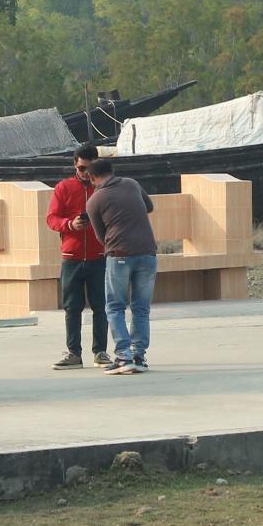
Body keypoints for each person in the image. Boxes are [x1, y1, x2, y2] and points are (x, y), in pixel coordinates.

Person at [84, 158, 158, 375]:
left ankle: (123, 356)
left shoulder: (94, 200)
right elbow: (149, 207)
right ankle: (139, 356)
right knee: (141, 308)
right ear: (112, 171)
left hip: (119, 254)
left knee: (115, 307)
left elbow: (101, 236)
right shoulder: (132, 184)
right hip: (147, 252)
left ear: (92, 178)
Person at [45, 144, 112, 369]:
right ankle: (74, 353)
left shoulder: (103, 188)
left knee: (100, 306)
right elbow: (52, 218)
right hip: (71, 256)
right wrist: (70, 224)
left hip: (99, 255)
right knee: (71, 307)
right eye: (82, 168)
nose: (86, 173)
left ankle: (100, 352)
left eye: (90, 168)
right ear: (75, 164)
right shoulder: (63, 188)